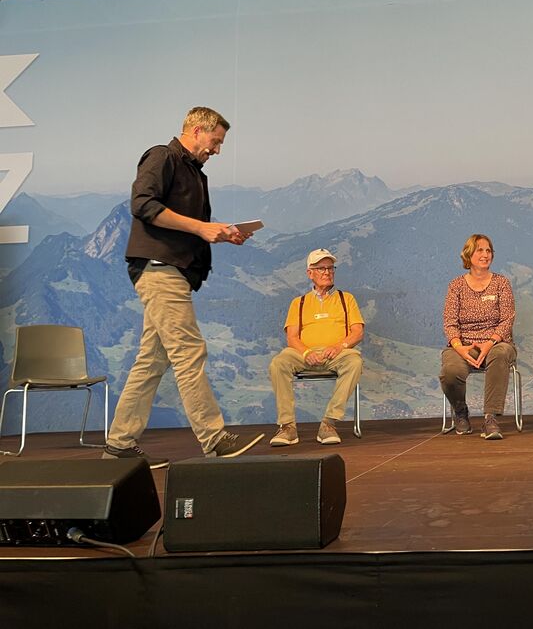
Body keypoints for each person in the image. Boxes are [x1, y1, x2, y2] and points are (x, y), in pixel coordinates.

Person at [103, 106, 264, 469]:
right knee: (190, 351)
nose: (218, 150)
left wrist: (219, 234)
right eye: (216, 141)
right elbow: (142, 204)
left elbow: (186, 226)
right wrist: (201, 228)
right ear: (195, 130)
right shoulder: (162, 156)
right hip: (159, 270)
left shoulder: (194, 172)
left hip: (171, 270)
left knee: (152, 360)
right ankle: (214, 438)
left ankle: (118, 446)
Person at [268, 249, 365, 446]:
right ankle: (287, 427)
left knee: (354, 361)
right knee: (279, 362)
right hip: (304, 354)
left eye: (330, 268)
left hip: (337, 354)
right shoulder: (299, 303)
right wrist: (306, 352)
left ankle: (329, 423)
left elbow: (357, 332)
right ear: (310, 273)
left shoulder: (347, 299)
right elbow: (292, 337)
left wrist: (340, 346)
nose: (327, 272)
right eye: (321, 268)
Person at [440, 234, 516, 440]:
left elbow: (507, 319)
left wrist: (490, 342)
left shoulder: (501, 283)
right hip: (463, 344)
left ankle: (490, 418)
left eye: (488, 250)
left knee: (500, 355)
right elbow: (449, 322)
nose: (485, 254)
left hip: (496, 342)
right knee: (450, 371)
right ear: (468, 255)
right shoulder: (456, 285)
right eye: (480, 250)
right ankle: (460, 411)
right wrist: (459, 347)